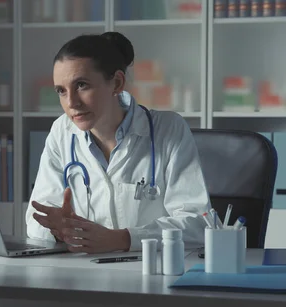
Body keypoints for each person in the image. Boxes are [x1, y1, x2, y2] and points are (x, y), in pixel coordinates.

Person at [25, 32, 210, 254]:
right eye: (61, 91)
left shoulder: (167, 129)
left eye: (82, 85)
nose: (71, 102)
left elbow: (197, 224)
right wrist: (60, 230)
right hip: (84, 274)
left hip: (152, 273)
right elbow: (36, 221)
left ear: (117, 83)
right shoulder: (61, 132)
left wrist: (123, 239)